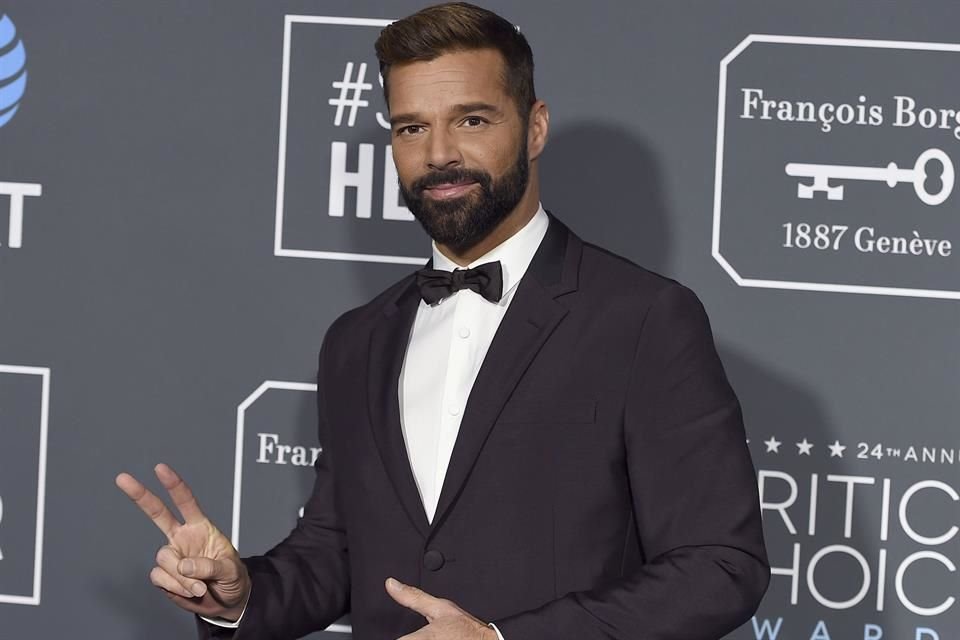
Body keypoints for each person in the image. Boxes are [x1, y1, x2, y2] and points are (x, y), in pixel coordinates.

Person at [116, 3, 770, 638]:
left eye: (472, 120)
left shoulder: (644, 318)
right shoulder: (358, 340)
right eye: (411, 128)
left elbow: (719, 568)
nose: (438, 153)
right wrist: (239, 596)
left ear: (535, 128)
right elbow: (338, 551)